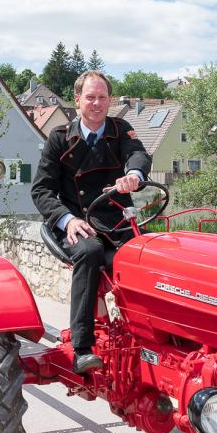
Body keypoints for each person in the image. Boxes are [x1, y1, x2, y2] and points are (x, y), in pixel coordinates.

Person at [31, 71, 150, 374]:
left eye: (102, 97)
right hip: (77, 221)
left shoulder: (120, 130)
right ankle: (82, 348)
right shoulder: (59, 138)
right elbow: (41, 190)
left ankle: (150, 335)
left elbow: (137, 154)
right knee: (90, 251)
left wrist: (134, 175)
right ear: (77, 100)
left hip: (116, 220)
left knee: (151, 253)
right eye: (90, 97)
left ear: (110, 100)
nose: (97, 103)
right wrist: (67, 220)